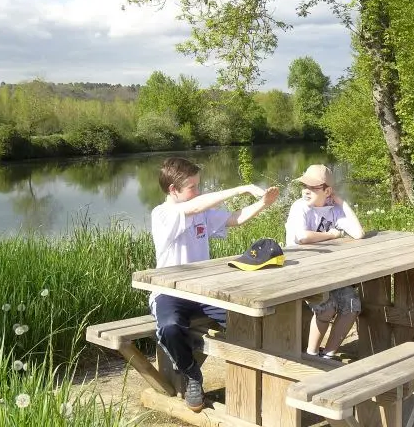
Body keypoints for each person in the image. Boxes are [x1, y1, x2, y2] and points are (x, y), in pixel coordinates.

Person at [150, 156, 279, 413]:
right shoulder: (163, 214)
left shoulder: (199, 209)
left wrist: (262, 204)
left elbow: (234, 219)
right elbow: (195, 208)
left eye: (198, 186)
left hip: (204, 291)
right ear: (173, 190)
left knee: (247, 320)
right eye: (192, 187)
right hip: (169, 291)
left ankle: (261, 378)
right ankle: (192, 376)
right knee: (170, 327)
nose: (198, 191)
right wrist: (241, 188)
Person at [284, 164, 365, 359]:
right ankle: (312, 355)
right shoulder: (299, 207)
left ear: (327, 190)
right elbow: (301, 237)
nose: (306, 191)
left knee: (352, 304)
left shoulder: (334, 210)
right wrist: (331, 234)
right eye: (304, 186)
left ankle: (328, 355)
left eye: (313, 188)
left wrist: (341, 201)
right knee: (327, 306)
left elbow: (358, 233)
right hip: (300, 270)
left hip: (328, 272)